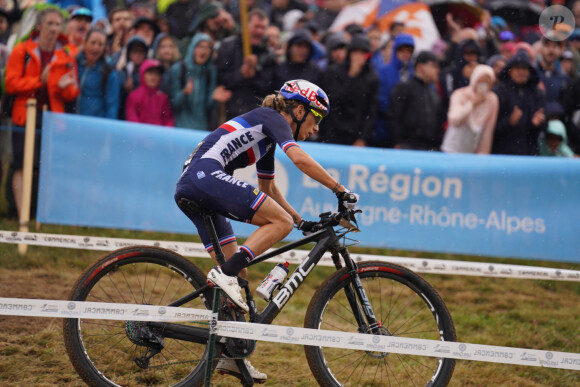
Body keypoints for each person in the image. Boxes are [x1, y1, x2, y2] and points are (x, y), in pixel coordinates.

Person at [174, 79, 359, 382]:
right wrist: (341, 190)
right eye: (316, 119)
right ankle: (225, 274)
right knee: (276, 227)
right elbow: (299, 158)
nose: (316, 129)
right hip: (204, 177)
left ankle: (233, 358)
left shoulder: (266, 135)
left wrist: (301, 222)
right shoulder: (272, 118)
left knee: (241, 281)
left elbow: (267, 188)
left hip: (193, 184)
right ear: (299, 110)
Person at [5, 7, 79, 218]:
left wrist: (64, 87)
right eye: (50, 23)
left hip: (53, 118)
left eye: (58, 24)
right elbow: (11, 84)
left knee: (47, 165)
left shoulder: (66, 53)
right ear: (39, 26)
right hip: (25, 115)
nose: (54, 28)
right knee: (22, 163)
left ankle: (43, 213)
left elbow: (73, 92)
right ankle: (22, 215)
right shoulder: (22, 50)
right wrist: (39, 82)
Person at [215, 9, 277, 120]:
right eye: (256, 26)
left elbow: (269, 86)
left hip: (256, 113)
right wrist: (240, 74)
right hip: (229, 112)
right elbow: (219, 78)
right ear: (245, 26)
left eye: (263, 28)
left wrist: (254, 72)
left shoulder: (268, 54)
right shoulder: (228, 46)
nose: (259, 31)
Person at [318, 34, 378, 146]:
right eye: (355, 53)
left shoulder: (372, 77)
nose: (358, 57)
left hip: (355, 134)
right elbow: (332, 101)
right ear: (349, 53)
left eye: (362, 53)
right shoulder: (333, 72)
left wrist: (363, 138)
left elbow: (371, 110)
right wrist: (351, 77)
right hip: (333, 132)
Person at [169, 33, 230, 130]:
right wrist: (184, 93)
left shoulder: (210, 72)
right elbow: (172, 103)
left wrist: (214, 99)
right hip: (179, 128)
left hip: (201, 129)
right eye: (200, 46)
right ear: (192, 48)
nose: (204, 51)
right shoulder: (178, 69)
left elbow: (207, 106)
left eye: (208, 47)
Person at [387, 51, 445, 151]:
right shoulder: (404, 88)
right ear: (420, 66)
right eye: (434, 66)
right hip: (407, 147)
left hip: (428, 150)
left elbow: (438, 125)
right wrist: (398, 142)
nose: (437, 70)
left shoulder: (434, 95)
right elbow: (393, 117)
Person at [492, 50, 547, 155]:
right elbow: (491, 128)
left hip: (529, 154)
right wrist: (509, 122)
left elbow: (543, 127)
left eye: (524, 68)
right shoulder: (499, 91)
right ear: (509, 70)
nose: (521, 72)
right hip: (503, 154)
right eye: (517, 68)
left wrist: (536, 124)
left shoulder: (537, 93)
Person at [441, 64, 499, 154]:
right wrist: (472, 103)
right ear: (474, 80)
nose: (483, 85)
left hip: (471, 152)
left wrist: (482, 156)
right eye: (481, 81)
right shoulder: (460, 94)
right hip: (453, 148)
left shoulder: (492, 99)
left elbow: (488, 131)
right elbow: (454, 120)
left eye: (487, 82)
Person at [373, 33, 415, 148]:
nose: (406, 53)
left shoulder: (414, 74)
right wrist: (396, 113)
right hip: (383, 130)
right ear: (396, 50)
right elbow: (380, 99)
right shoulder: (383, 71)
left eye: (409, 50)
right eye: (402, 49)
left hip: (407, 134)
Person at [75, 28, 121, 119]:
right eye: (93, 43)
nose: (96, 48)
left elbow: (112, 106)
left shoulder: (109, 71)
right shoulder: (75, 62)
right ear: (85, 43)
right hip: (72, 122)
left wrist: (108, 130)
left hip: (95, 126)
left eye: (100, 44)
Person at [126, 58, 174, 126]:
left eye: (157, 73)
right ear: (142, 74)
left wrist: (166, 134)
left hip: (160, 136)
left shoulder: (163, 98)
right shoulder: (133, 96)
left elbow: (168, 120)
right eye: (150, 72)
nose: (154, 76)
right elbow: (132, 120)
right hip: (138, 135)